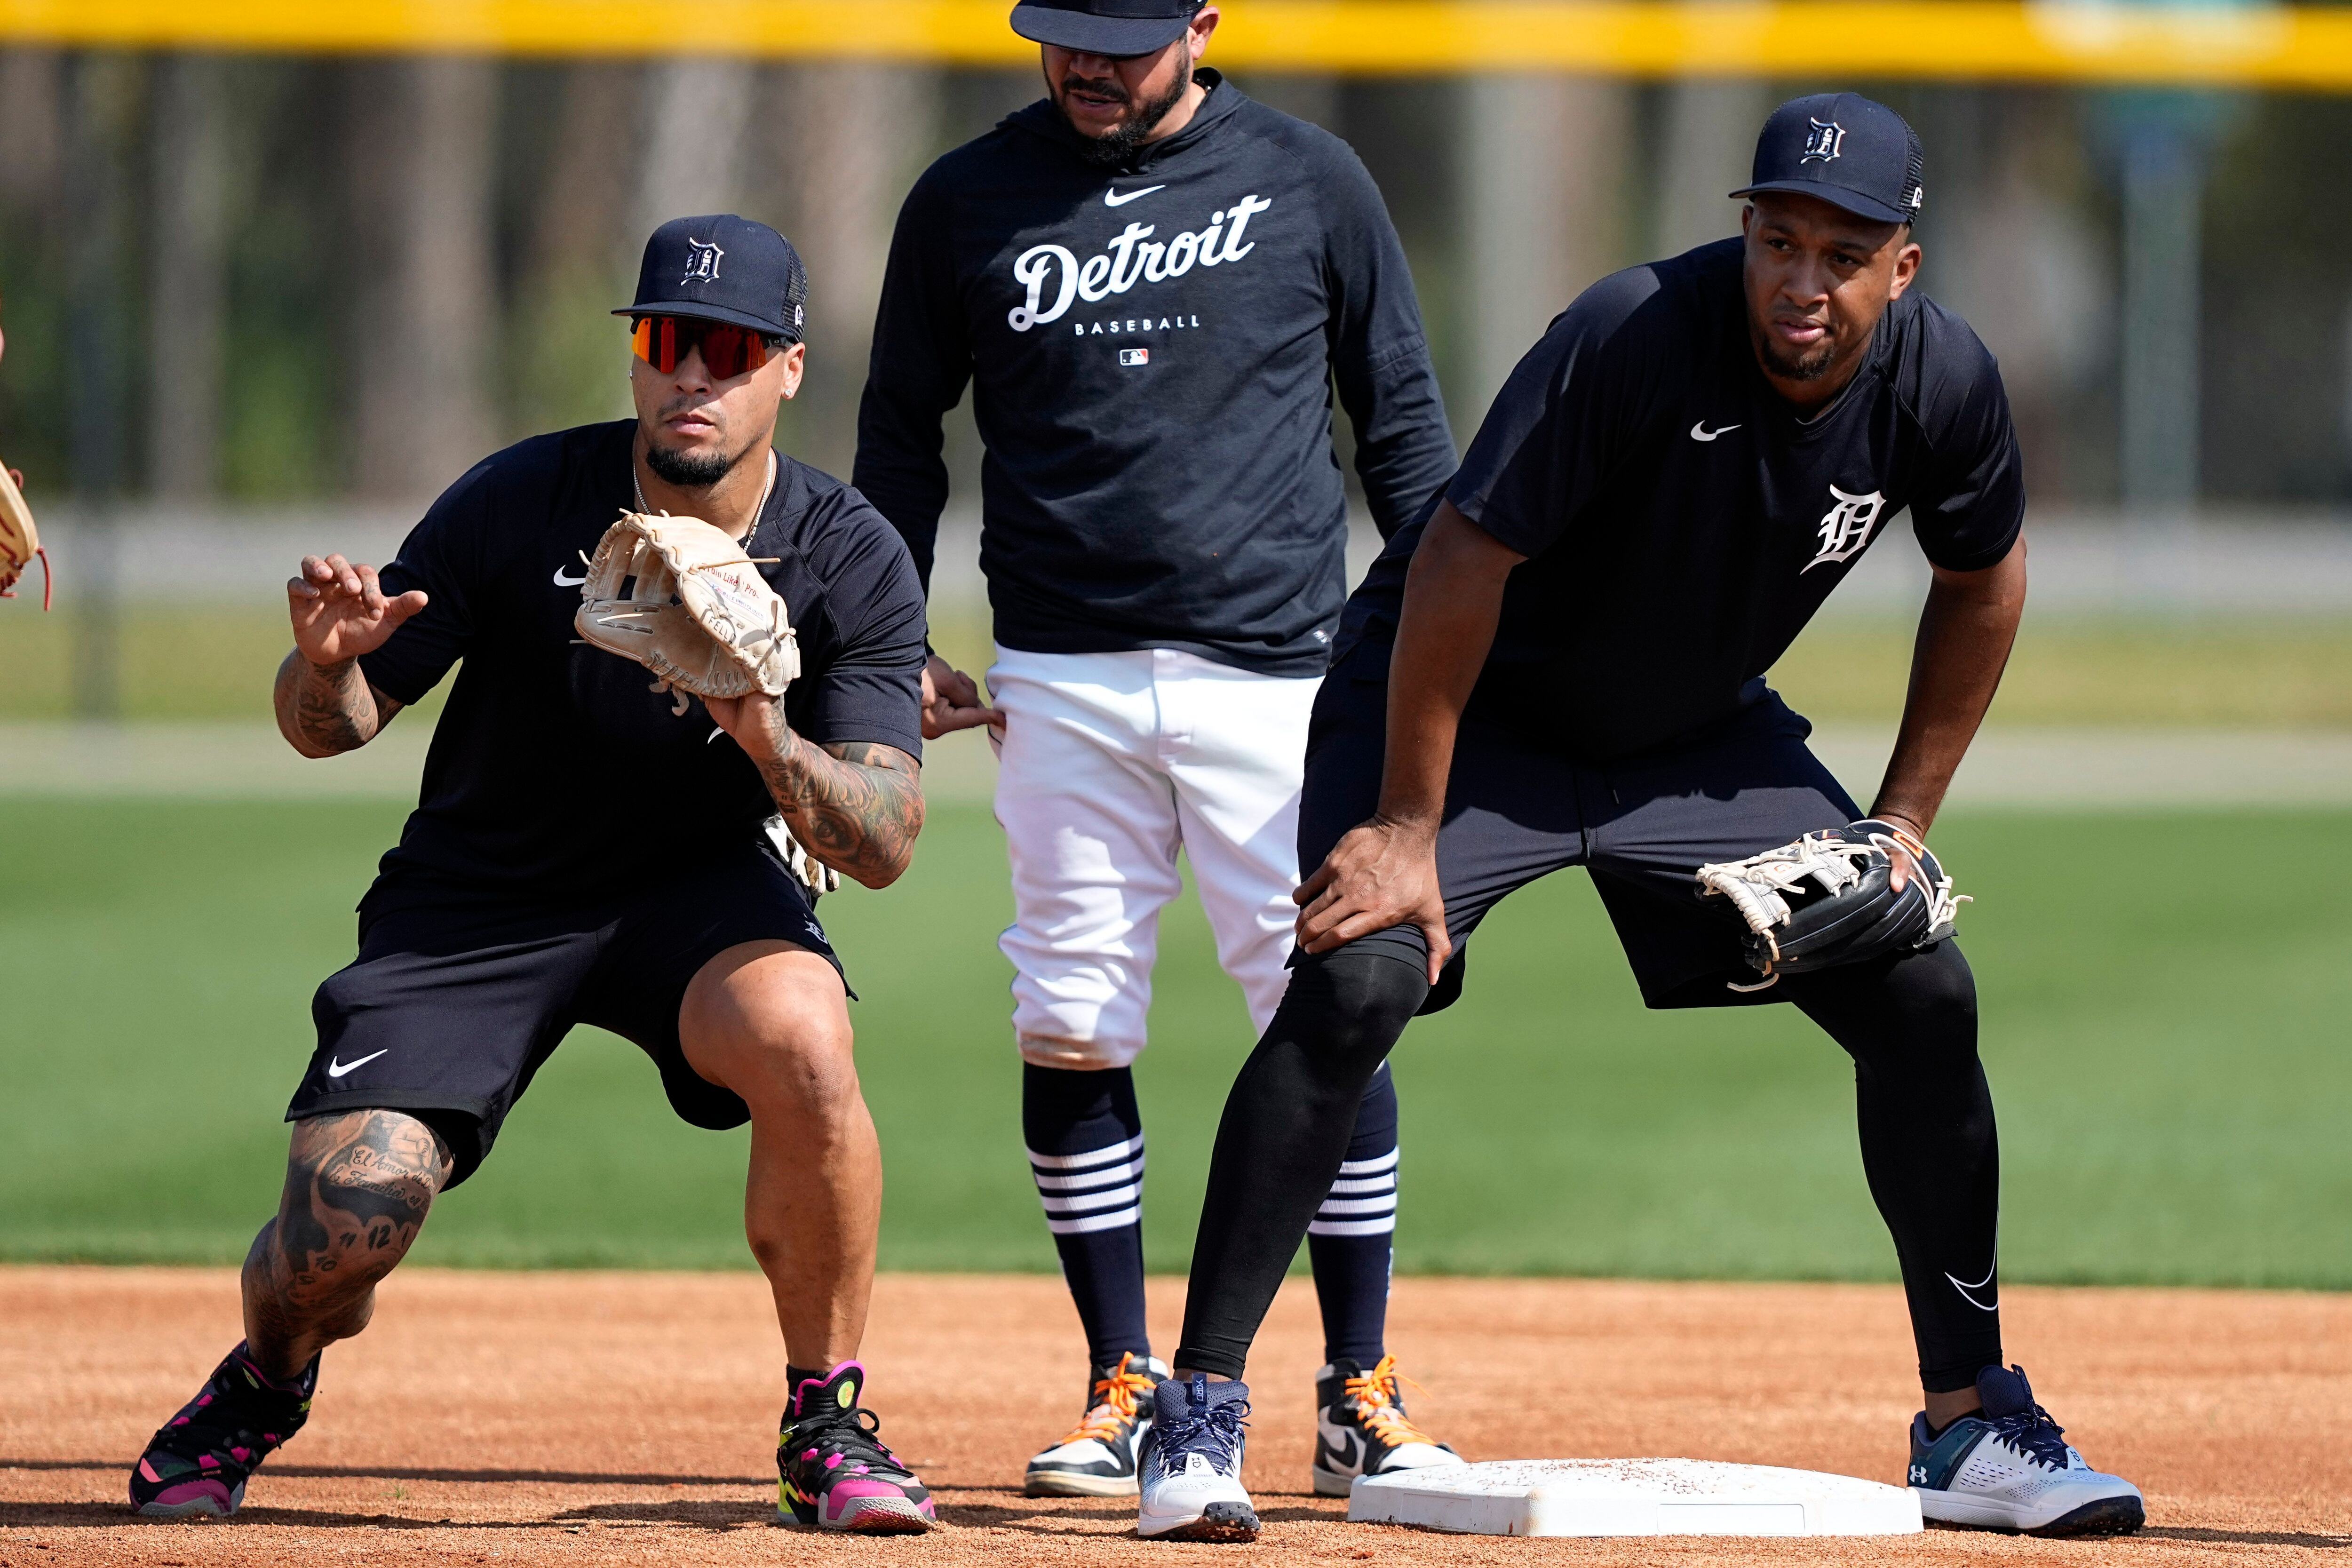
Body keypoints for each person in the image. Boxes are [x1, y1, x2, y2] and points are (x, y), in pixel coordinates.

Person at [1135, 94, 2149, 1543]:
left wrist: (1903, 828)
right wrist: (1409, 821)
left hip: (1691, 735)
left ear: (1902, 269)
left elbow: (1984, 577)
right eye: (1779, 241)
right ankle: (1201, 1413)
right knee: (1362, 971)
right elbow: (1461, 563)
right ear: (1745, 234)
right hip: (1472, 705)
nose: (1805, 281)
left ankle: (1969, 1423)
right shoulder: (1633, 333)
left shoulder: (1943, 383)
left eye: (1844, 254)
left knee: (1923, 987)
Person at [127, 216, 942, 1536]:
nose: (694, 375)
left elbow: (889, 840)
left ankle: (827, 1422)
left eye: (730, 350)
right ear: (636, 358)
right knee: (354, 1215)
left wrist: (757, 724)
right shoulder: (520, 499)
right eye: (668, 342)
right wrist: (326, 663)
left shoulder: (847, 553)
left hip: (697, 896)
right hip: (481, 895)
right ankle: (264, 1380)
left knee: (806, 1039)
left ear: (788, 368)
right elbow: (330, 727)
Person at [854, 0, 1466, 1505]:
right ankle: (1126, 1377)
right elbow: (896, 441)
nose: (1090, 64)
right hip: (1056, 670)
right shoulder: (966, 198)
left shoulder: (1313, 180)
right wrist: (880, 645)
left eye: (1125, 38)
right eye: (1064, 31)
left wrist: (1430, 658)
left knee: (1330, 1004)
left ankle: (1356, 1385)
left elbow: (1404, 437)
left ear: (1203, 25)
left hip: (1285, 674)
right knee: (1068, 1016)